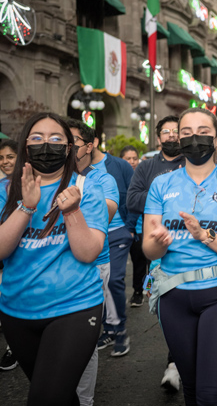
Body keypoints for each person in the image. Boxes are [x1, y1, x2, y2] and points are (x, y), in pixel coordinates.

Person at [143, 107, 217, 405]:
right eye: (187, 133)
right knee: (191, 392)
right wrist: (160, 241)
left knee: (211, 396)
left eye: (203, 132)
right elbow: (148, 249)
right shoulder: (161, 185)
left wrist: (205, 235)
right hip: (173, 296)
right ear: (178, 139)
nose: (195, 139)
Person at [0, 112, 108, 404]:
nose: (46, 145)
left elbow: (88, 253)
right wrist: (26, 206)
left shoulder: (88, 188)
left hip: (74, 307)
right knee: (58, 395)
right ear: (25, 147)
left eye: (56, 139)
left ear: (69, 148)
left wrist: (72, 211)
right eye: (37, 139)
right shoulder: (6, 190)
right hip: (16, 310)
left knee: (45, 398)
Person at [126, 115, 185, 390]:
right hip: (156, 248)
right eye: (166, 132)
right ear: (158, 136)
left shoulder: (195, 163)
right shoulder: (147, 166)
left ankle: (175, 363)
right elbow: (132, 199)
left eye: (177, 131)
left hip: (192, 248)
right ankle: (180, 353)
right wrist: (166, 195)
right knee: (162, 304)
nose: (171, 136)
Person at [68, 118, 122, 405]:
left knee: (83, 339)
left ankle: (83, 400)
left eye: (71, 142)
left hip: (92, 265)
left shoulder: (101, 179)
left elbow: (108, 212)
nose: (64, 147)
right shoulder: (48, 176)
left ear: (88, 147)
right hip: (54, 266)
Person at [87, 130, 134, 357]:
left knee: (114, 279)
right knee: (97, 281)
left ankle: (120, 329)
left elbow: (132, 196)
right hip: (89, 235)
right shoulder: (72, 171)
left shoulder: (117, 166)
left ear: (92, 143)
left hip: (116, 232)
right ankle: (106, 328)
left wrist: (130, 228)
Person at [0, 139, 18, 371]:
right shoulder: (2, 186)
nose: (4, 162)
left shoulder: (34, 181)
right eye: (1, 158)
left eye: (9, 157)